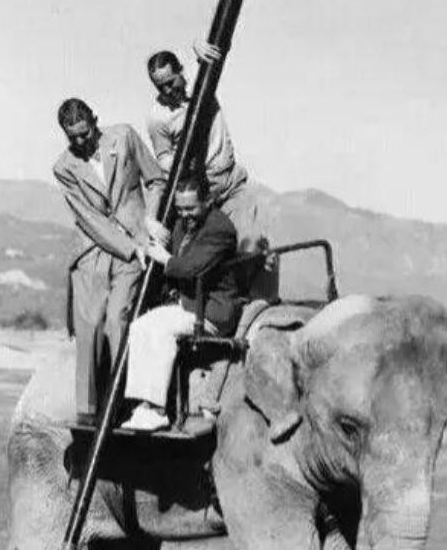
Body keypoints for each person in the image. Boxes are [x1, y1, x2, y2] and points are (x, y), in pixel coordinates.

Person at [53, 97, 167, 425]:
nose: (80, 142)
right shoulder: (64, 167)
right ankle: (88, 411)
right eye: (72, 137)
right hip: (95, 246)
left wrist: (149, 224)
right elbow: (89, 218)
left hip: (137, 242)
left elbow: (156, 180)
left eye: (85, 133)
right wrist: (128, 247)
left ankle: (122, 402)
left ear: (95, 120)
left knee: (118, 318)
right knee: (89, 324)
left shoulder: (125, 137)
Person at [146, 42, 279, 298]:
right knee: (201, 257)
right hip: (200, 197)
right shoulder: (157, 117)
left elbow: (210, 55)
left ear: (180, 71)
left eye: (170, 82)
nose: (167, 90)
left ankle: (256, 304)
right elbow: (162, 157)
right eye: (160, 86)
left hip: (231, 183)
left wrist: (199, 47)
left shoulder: (201, 82)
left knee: (251, 245)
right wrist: (182, 162)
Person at [121, 175, 241, 432]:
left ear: (207, 201)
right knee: (139, 326)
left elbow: (191, 268)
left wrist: (164, 258)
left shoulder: (220, 229)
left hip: (210, 311)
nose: (185, 215)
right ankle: (144, 403)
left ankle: (157, 409)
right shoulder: (184, 224)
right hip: (188, 304)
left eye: (190, 208)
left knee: (160, 330)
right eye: (180, 209)